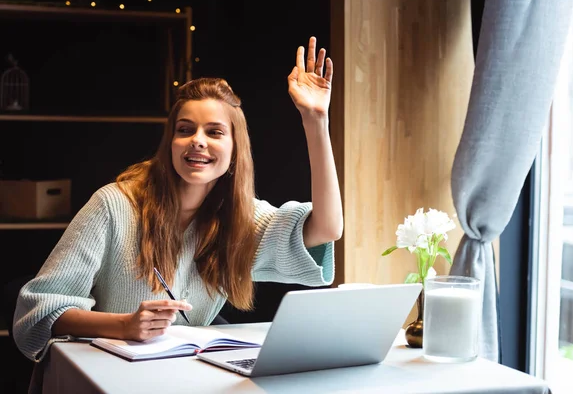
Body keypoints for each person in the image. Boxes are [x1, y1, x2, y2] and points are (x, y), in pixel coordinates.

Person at [12, 36, 343, 363]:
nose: (197, 141)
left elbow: (327, 228)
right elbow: (38, 309)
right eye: (185, 130)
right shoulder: (113, 206)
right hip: (108, 373)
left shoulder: (240, 218)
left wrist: (315, 121)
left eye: (214, 132)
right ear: (170, 142)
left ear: (235, 150)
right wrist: (124, 325)